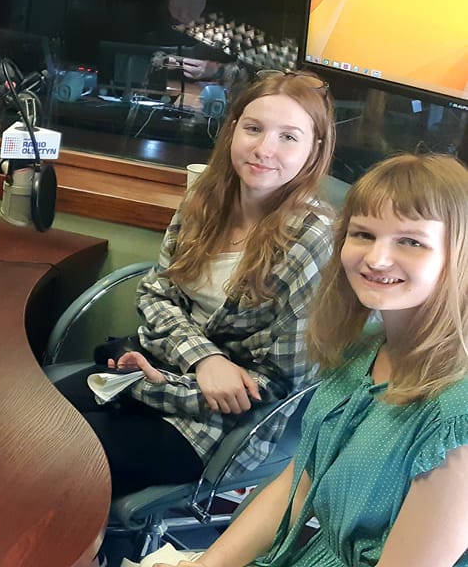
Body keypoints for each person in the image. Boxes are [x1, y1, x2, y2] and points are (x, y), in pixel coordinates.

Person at [156, 153, 468, 567]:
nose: (376, 259)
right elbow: (299, 481)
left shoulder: (456, 416)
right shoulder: (360, 353)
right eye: (363, 234)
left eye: (411, 241)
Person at [54, 70, 337, 503]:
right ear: (232, 129)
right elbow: (156, 293)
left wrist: (158, 384)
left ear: (314, 148)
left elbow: (273, 388)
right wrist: (204, 359)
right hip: (156, 367)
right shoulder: (207, 197)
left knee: (60, 457)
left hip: (215, 423)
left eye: (288, 137)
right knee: (31, 421)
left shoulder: (313, 241)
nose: (264, 149)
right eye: (254, 129)